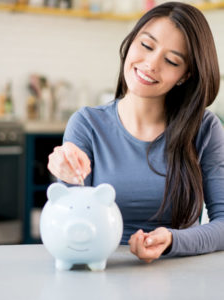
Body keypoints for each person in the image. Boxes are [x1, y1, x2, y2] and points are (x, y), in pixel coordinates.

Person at [47, 1, 224, 263]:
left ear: (185, 76)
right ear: (131, 41)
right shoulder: (87, 124)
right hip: (102, 269)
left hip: (183, 274)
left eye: (171, 61)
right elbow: (68, 220)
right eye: (146, 45)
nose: (151, 64)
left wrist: (173, 241)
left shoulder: (205, 129)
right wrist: (62, 172)